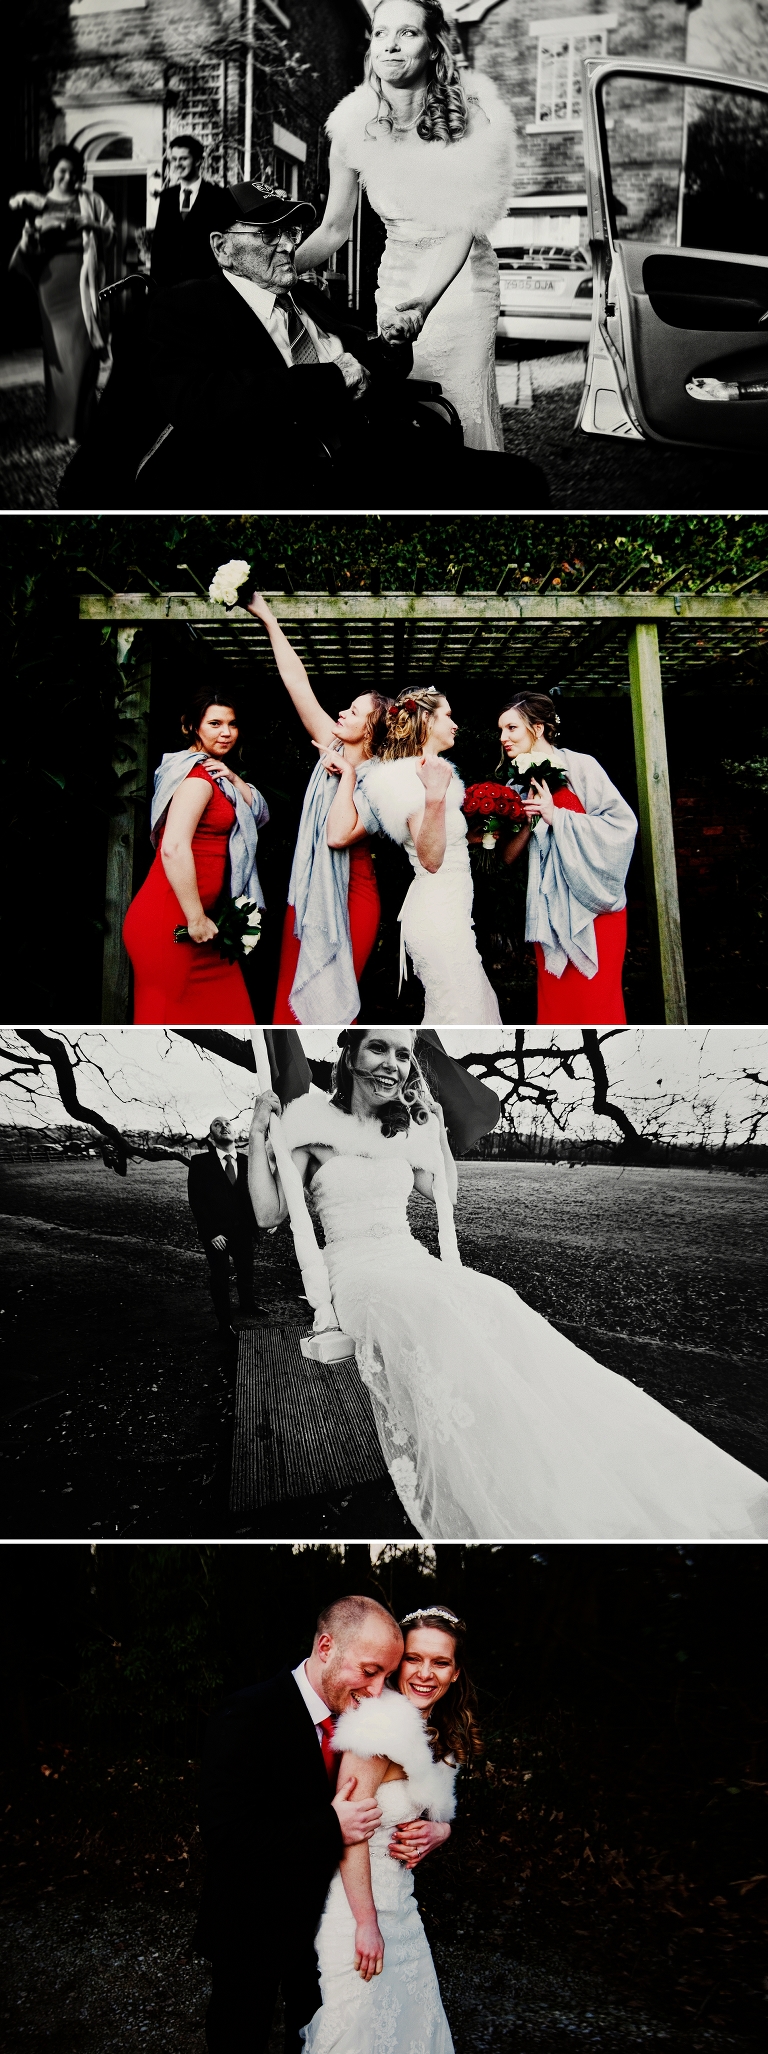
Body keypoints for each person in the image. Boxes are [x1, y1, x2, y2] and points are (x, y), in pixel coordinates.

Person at [247, 1029, 768, 1541]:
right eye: (378, 1048)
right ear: (350, 1056)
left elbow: (443, 1193)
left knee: (492, 1296)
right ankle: (473, 1454)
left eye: (403, 1054)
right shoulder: (311, 1129)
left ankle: (531, 1438)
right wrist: (257, 1134)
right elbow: (270, 1213)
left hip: (410, 1258)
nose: (392, 1062)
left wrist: (436, 1136)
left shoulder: (398, 1133)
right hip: (357, 1271)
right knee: (429, 1305)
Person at [58, 181, 548, 510]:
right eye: (269, 232)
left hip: (375, 443)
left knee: (520, 480)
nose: (290, 243)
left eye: (292, 230)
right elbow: (203, 402)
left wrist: (393, 343)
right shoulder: (185, 307)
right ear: (221, 246)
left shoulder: (307, 297)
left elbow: (369, 358)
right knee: (508, 491)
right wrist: (332, 380)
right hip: (304, 469)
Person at [194, 1594, 415, 2052]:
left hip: (325, 1928)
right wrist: (329, 1825)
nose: (378, 1691)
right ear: (327, 1646)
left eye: (387, 1677)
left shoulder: (366, 1724)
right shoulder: (247, 1712)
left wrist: (439, 1827)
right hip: (251, 1923)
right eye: (370, 1671)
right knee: (240, 2037)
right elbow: (225, 1833)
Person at [297, 0, 514, 449]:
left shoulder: (470, 117)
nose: (390, 46)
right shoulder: (351, 127)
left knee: (457, 401)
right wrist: (280, 265)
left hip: (460, 285)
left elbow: (464, 224)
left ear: (434, 48)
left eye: (407, 34)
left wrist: (425, 304)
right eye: (380, 33)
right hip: (396, 281)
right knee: (403, 409)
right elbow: (335, 228)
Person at [303, 1603, 480, 2054]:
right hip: (357, 1910)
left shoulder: (433, 1729)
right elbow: (351, 1831)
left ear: (456, 1673)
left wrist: (441, 1831)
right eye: (414, 1659)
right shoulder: (377, 1726)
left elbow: (427, 1806)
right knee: (358, 2032)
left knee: (409, 2030)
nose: (424, 1673)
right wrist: (367, 1923)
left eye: (440, 1662)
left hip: (402, 1908)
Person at [244, 591, 390, 1024]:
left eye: (354, 711)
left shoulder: (383, 782)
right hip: (309, 895)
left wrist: (346, 774)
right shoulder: (330, 742)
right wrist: (268, 618)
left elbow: (338, 835)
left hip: (354, 897)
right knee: (291, 1003)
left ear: (373, 730)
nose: (342, 713)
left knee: (330, 1004)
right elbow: (296, 682)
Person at [328, 687, 501, 1024]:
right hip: (438, 918)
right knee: (464, 1013)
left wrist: (473, 836)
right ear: (425, 721)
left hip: (451, 912)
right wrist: (435, 798)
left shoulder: (429, 770)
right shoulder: (410, 778)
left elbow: (436, 841)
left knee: (469, 1008)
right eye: (447, 716)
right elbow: (430, 859)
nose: (455, 725)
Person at [122, 686, 268, 1024]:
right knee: (163, 1030)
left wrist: (232, 776)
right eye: (215, 723)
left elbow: (258, 811)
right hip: (172, 925)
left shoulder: (218, 777)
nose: (226, 732)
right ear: (191, 726)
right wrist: (195, 917)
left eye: (231, 724)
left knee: (237, 1021)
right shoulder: (196, 779)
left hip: (202, 928)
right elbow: (172, 848)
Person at [497, 694, 638, 1025]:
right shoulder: (515, 783)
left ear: (539, 728)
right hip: (550, 915)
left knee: (597, 1005)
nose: (503, 737)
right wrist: (529, 823)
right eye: (501, 729)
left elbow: (622, 826)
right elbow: (508, 856)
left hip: (595, 910)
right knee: (556, 1008)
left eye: (512, 728)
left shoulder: (581, 766)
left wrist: (556, 816)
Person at [9, 144, 114, 443]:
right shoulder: (39, 204)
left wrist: (89, 223)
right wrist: (31, 232)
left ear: (80, 174)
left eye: (73, 172)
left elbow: (112, 232)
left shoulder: (90, 199)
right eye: (62, 171)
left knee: (84, 355)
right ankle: (63, 423)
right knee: (60, 357)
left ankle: (81, 423)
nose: (67, 177)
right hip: (51, 287)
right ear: (52, 173)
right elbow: (29, 250)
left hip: (84, 283)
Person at [187, 1116, 265, 1343]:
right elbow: (196, 1200)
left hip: (243, 1231)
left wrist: (266, 1219)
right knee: (220, 1277)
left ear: (236, 1132)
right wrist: (211, 1232)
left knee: (246, 1271)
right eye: (217, 1124)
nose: (224, 1126)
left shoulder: (248, 1161)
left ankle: (248, 1305)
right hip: (216, 1235)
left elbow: (257, 1194)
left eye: (227, 1123)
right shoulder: (200, 1163)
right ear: (211, 1135)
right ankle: (225, 1322)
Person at [150, 134, 230, 288]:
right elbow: (158, 244)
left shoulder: (217, 196)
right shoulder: (167, 196)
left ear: (199, 160)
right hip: (169, 287)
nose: (177, 164)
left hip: (204, 288)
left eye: (183, 159)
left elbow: (223, 245)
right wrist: (154, 286)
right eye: (174, 159)